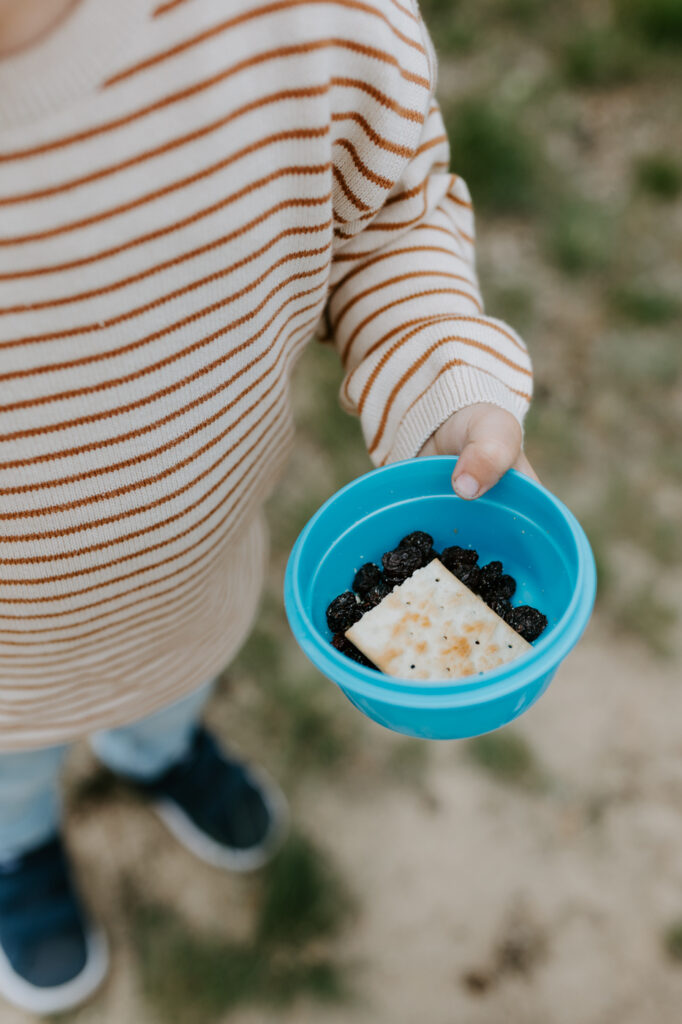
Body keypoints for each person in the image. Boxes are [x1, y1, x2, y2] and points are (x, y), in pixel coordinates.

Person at [0, 0, 537, 1013]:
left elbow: (384, 224)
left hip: (191, 576)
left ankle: (154, 752)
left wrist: (441, 381)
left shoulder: (301, 22)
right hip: (1, 667)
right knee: (7, 771)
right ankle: (18, 850)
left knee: (173, 684)